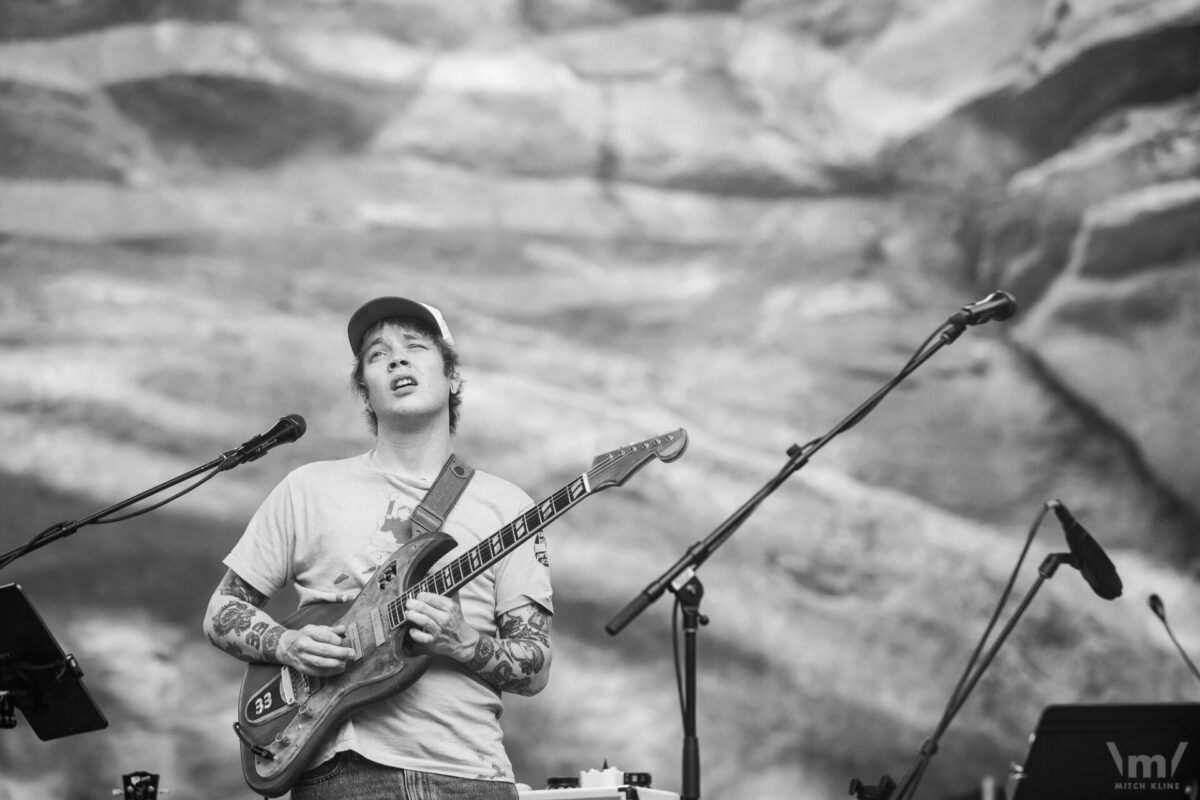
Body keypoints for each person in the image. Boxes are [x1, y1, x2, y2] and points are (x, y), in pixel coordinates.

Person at [203, 297, 553, 800]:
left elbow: (536, 666)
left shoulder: (510, 507)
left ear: (453, 378)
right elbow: (222, 610)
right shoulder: (309, 488)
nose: (397, 359)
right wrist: (286, 643)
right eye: (376, 354)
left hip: (469, 775)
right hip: (338, 775)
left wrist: (464, 642)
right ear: (366, 393)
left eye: (415, 347)